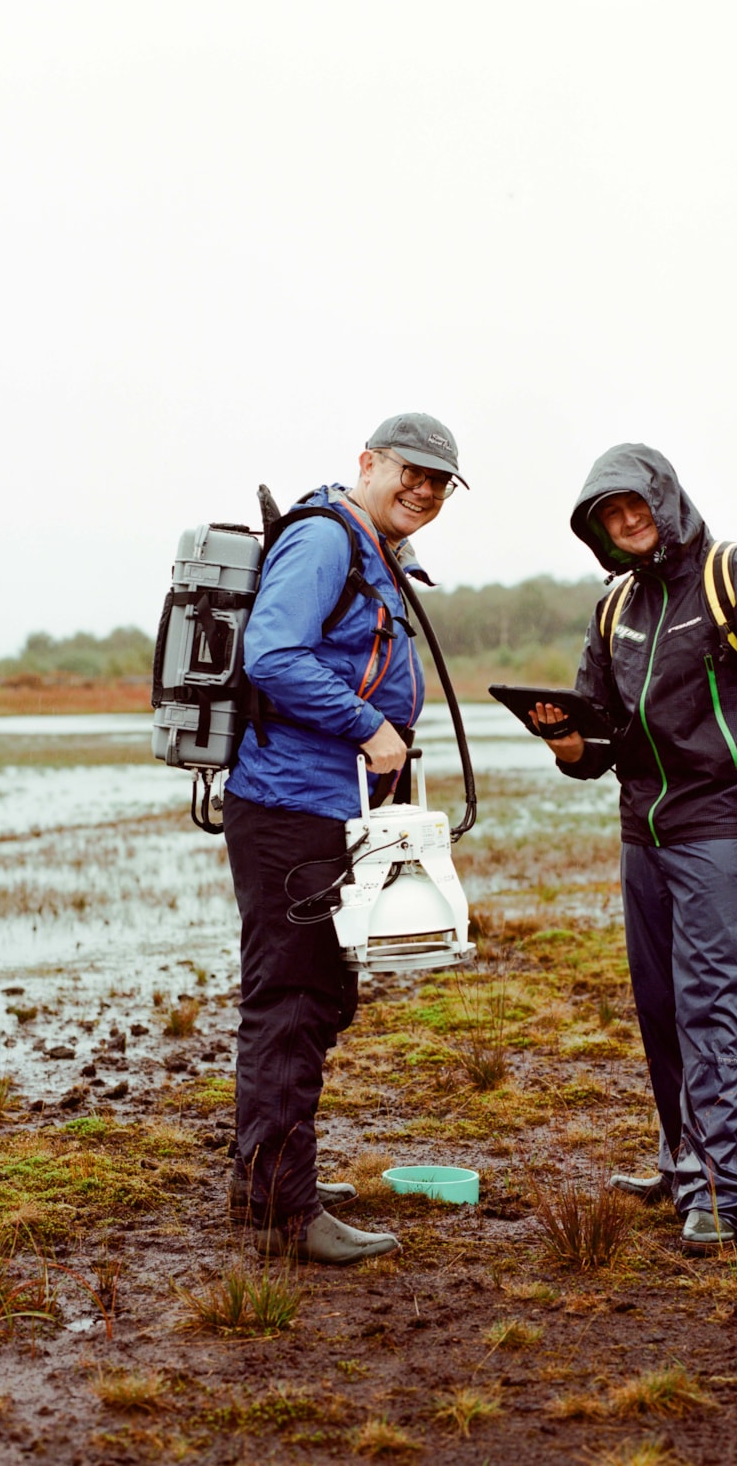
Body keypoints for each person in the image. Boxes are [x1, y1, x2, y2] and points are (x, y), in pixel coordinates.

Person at [530, 443, 737, 1253]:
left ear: (666, 501)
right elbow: (601, 731)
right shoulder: (616, 606)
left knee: (722, 1006)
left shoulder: (735, 576)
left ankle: (728, 1194)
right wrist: (567, 744)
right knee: (663, 1007)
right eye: (609, 516)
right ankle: (683, 1164)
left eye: (635, 505)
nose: (626, 522)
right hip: (646, 833)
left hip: (733, 829)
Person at [223, 412, 466, 1264]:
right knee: (291, 1003)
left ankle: (268, 1178)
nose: (424, 491)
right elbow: (273, 653)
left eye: (440, 483)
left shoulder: (373, 552)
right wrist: (369, 726)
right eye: (411, 471)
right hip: (290, 808)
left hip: (325, 810)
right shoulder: (327, 540)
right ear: (367, 463)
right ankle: (288, 1214)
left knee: (315, 996)